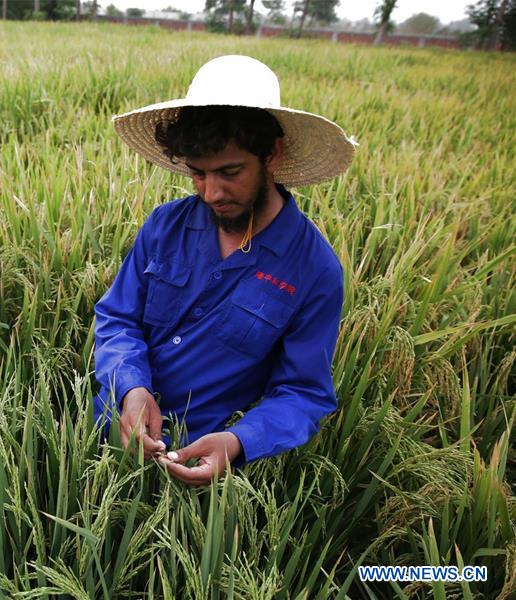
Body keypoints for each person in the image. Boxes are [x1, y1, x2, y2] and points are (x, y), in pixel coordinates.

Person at [94, 55, 357, 485]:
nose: (212, 192)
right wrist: (131, 387)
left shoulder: (314, 269)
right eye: (198, 174)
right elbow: (118, 317)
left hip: (199, 467)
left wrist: (237, 442)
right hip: (107, 432)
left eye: (229, 172)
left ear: (271, 154)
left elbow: (303, 393)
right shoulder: (165, 226)